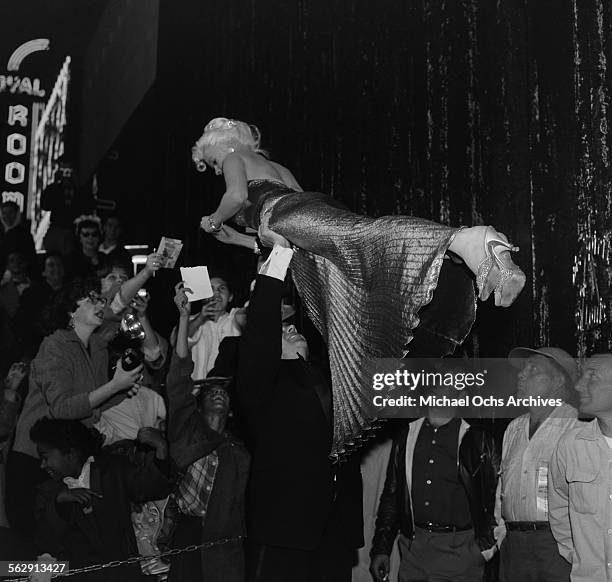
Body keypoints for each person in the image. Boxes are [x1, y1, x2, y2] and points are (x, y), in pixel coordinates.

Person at [193, 117, 526, 457]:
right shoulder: (274, 166)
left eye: (215, 163)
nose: (219, 170)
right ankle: (363, 395)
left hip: (285, 216)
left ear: (224, 147)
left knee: (366, 245)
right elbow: (298, 213)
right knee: (343, 309)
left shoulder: (235, 158)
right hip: (301, 225)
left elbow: (235, 196)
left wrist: (214, 219)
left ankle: (463, 240)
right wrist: (234, 237)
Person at [238, 241, 363, 582]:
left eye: (293, 326)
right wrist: (279, 254)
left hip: (333, 531)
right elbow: (259, 331)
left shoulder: (331, 378)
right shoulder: (262, 387)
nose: (291, 328)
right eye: (283, 330)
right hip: (285, 532)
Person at [8, 278, 146, 536]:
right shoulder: (54, 345)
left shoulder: (96, 347)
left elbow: (94, 402)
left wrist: (123, 390)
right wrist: (115, 387)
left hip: (64, 460)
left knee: (60, 546)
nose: (100, 303)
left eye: (99, 298)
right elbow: (62, 408)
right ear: (71, 311)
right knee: (28, 548)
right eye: (91, 299)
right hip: (33, 458)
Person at [370, 374, 500, 582]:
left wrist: (483, 549)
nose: (437, 390)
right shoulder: (407, 435)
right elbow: (392, 496)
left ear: (461, 396)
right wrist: (381, 548)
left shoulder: (478, 440)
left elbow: (497, 496)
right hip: (414, 552)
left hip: (460, 552)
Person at [164, 281, 250, 582]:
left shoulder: (239, 452)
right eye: (211, 390)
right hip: (184, 535)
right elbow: (177, 379)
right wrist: (187, 315)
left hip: (222, 548)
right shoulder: (187, 429)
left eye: (223, 392)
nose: (217, 393)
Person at [31, 417, 174, 582]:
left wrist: (162, 449)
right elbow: (44, 539)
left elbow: (151, 487)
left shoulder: (112, 471)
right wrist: (60, 503)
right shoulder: (49, 492)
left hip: (122, 574)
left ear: (70, 454)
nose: (42, 465)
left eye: (45, 457)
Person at [495, 347, 579, 582]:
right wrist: (502, 536)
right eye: (522, 369)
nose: (522, 375)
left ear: (558, 380)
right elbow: (502, 491)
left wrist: (571, 550)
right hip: (514, 547)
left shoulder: (576, 427)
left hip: (556, 547)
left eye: (533, 369)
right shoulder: (513, 429)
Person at [548, 354, 612, 582]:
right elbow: (558, 506)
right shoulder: (569, 445)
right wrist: (576, 555)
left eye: (592, 376)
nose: (578, 384)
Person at [187, 273, 243, 380]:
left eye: (221, 288)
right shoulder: (189, 321)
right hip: (194, 392)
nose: (216, 293)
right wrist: (200, 318)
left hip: (228, 392)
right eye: (210, 289)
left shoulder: (236, 319)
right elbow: (179, 343)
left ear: (230, 297)